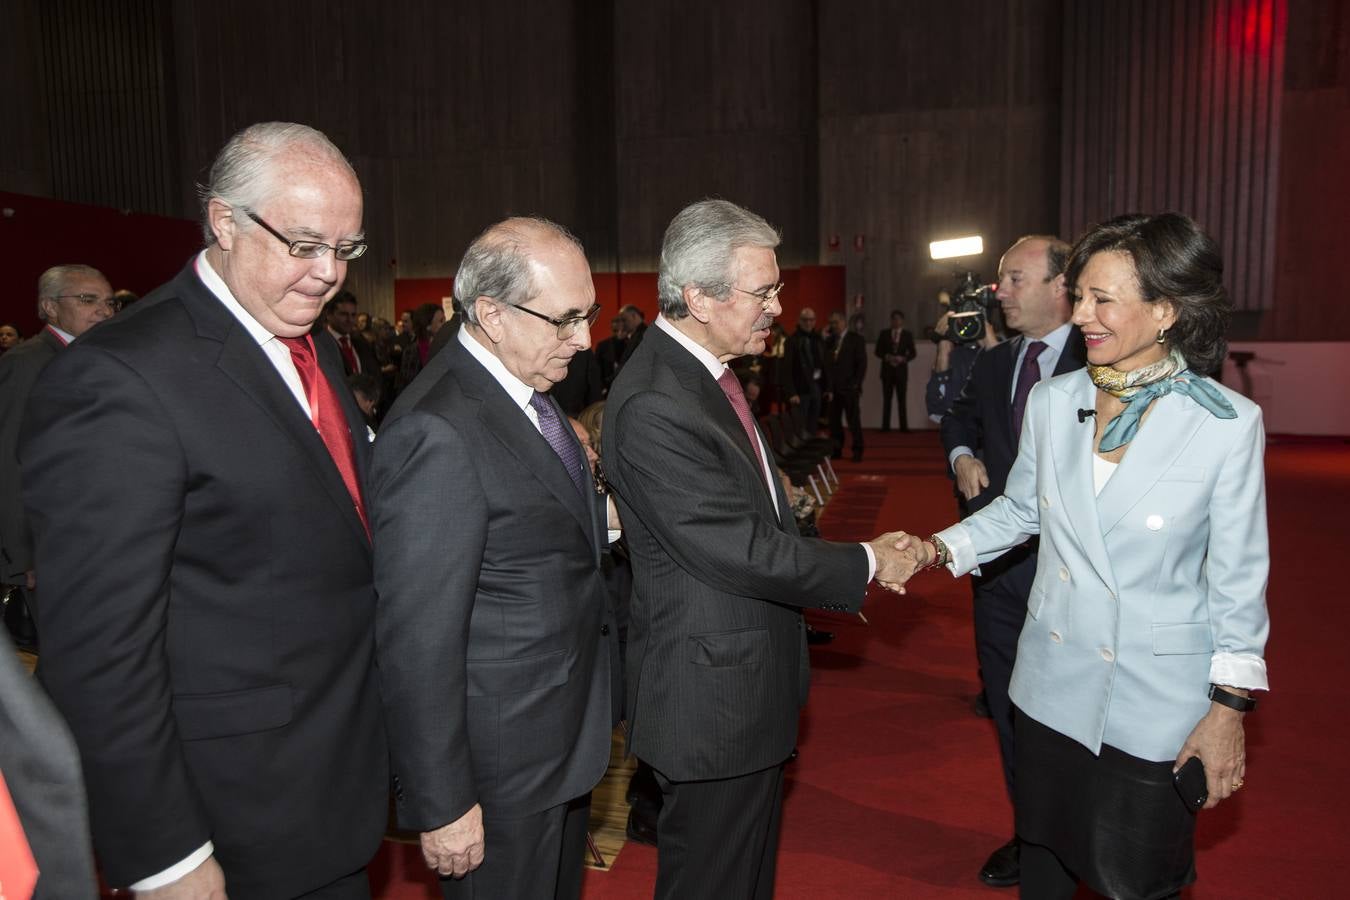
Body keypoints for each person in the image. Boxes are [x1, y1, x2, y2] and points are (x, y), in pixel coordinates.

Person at [22, 121, 388, 898]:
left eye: (346, 249)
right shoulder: (120, 378)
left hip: (332, 782)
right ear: (224, 221)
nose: (327, 274)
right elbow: (99, 652)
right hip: (226, 812)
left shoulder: (309, 343)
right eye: (304, 244)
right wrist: (167, 858)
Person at [901, 212, 1267, 900]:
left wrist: (1227, 714)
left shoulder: (1225, 425)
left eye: (1105, 300)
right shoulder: (1055, 398)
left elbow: (1238, 582)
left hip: (1153, 701)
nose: (1084, 316)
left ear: (1164, 311)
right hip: (1050, 686)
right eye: (1081, 297)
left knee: (1138, 881)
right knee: (1045, 865)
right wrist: (932, 550)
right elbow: (1017, 511)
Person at [603, 198, 919, 899]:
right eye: (764, 290)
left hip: (742, 683)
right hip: (709, 695)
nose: (778, 305)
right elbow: (736, 548)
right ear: (699, 296)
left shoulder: (704, 377)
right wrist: (867, 560)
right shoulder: (658, 399)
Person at [370, 217, 616, 899]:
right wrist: (443, 800)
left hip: (558, 743)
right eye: (564, 319)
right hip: (497, 772)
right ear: (491, 315)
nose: (585, 338)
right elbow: (417, 638)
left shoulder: (523, 397)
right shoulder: (437, 429)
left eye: (588, 315)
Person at [938, 234, 1085, 887]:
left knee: (1074, 720)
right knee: (1009, 711)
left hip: (1079, 580)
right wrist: (962, 454)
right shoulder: (997, 365)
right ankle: (1032, 838)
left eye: (1015, 279)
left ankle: (1079, 837)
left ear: (1062, 286)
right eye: (1001, 280)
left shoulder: (1102, 356)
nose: (999, 291)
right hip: (999, 576)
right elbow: (957, 418)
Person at [1, 265, 115, 623]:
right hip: (50, 549)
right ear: (50, 307)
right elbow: (8, 460)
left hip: (96, 542)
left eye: (109, 303)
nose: (104, 310)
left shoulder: (99, 357)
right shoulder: (25, 362)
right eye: (87, 300)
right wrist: (22, 557)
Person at [822, 309, 867, 461]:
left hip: (850, 388)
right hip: (833, 389)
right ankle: (836, 449)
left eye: (836, 322)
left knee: (853, 421)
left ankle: (857, 450)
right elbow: (826, 364)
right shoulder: (829, 341)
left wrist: (856, 384)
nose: (833, 326)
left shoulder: (856, 339)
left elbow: (861, 364)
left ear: (844, 322)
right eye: (831, 323)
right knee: (834, 422)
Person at [784, 307, 825, 437]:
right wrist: (792, 393)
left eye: (811, 320)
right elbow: (786, 369)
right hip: (800, 391)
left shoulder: (818, 339)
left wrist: (827, 387)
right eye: (805, 320)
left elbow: (825, 364)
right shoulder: (792, 340)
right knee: (799, 426)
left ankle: (811, 454)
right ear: (800, 321)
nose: (808, 323)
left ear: (815, 321)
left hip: (816, 387)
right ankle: (799, 455)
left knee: (813, 425)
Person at [319, 290, 378, 376]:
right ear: (328, 315)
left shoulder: (361, 341)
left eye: (353, 315)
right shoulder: (320, 345)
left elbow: (374, 373)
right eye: (344, 314)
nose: (350, 320)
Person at [875, 309, 916, 431]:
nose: (896, 321)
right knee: (887, 400)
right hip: (887, 372)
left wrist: (903, 358)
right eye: (893, 319)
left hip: (901, 372)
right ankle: (885, 427)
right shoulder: (884, 333)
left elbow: (913, 353)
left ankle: (904, 427)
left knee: (901, 400)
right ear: (891, 320)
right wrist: (887, 356)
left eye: (898, 319)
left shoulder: (907, 335)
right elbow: (877, 351)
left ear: (902, 321)